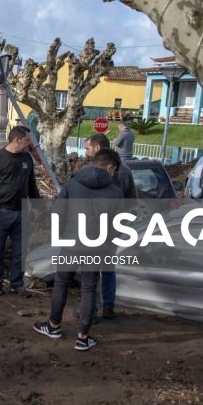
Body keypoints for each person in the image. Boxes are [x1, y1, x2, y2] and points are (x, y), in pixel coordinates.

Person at [32, 149, 123, 351]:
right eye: (114, 170)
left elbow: (57, 211)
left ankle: (53, 326)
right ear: (109, 167)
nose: (114, 174)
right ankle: (83, 337)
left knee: (62, 282)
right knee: (89, 288)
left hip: (70, 245)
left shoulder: (73, 184)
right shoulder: (115, 192)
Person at [0, 126, 41, 300]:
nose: (30, 143)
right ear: (17, 140)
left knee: (20, 252)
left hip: (21, 212)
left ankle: (17, 284)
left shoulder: (27, 159)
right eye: (27, 140)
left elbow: (31, 185)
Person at [83, 133, 137, 319]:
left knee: (92, 271)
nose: (86, 152)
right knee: (107, 268)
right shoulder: (126, 170)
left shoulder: (104, 171)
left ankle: (93, 309)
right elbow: (132, 201)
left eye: (88, 148)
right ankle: (107, 306)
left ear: (98, 148)